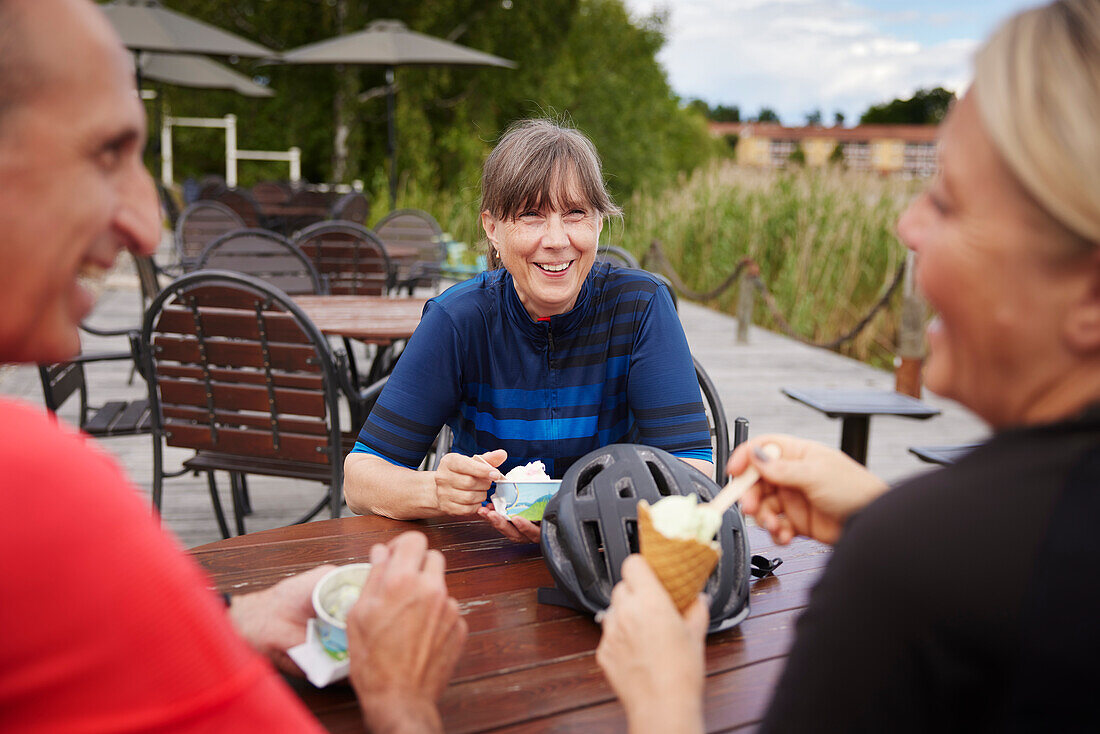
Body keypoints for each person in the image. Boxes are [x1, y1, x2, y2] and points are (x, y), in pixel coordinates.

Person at [596, 0, 1100, 731]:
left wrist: (662, 698)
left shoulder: (902, 576)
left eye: (950, 204)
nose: (907, 226)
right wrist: (876, 511)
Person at [0, 1, 465, 731]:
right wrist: (402, 699)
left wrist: (229, 622)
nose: (148, 224)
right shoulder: (32, 486)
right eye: (106, 152)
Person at [345, 120, 714, 541]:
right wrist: (436, 490)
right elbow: (359, 479)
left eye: (575, 213)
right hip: (481, 554)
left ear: (597, 222)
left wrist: (586, 520)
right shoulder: (459, 319)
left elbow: (694, 469)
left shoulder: (641, 306)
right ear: (492, 228)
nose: (556, 239)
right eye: (531, 215)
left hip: (613, 553)